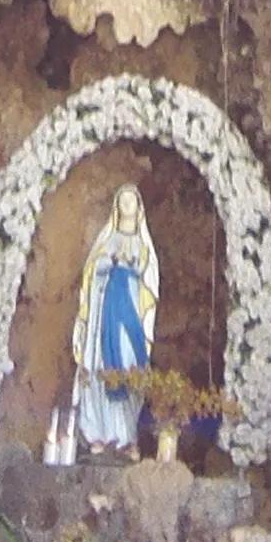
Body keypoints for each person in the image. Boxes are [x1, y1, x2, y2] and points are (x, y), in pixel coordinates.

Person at [69, 180, 159, 455]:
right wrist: (110, 263)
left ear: (140, 207)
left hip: (129, 316)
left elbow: (150, 281)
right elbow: (91, 273)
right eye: (123, 200)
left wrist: (131, 267)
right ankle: (98, 432)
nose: (127, 204)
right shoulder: (106, 240)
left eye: (132, 200)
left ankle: (127, 436)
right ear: (116, 207)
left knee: (129, 366)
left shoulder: (144, 246)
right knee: (99, 366)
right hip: (104, 316)